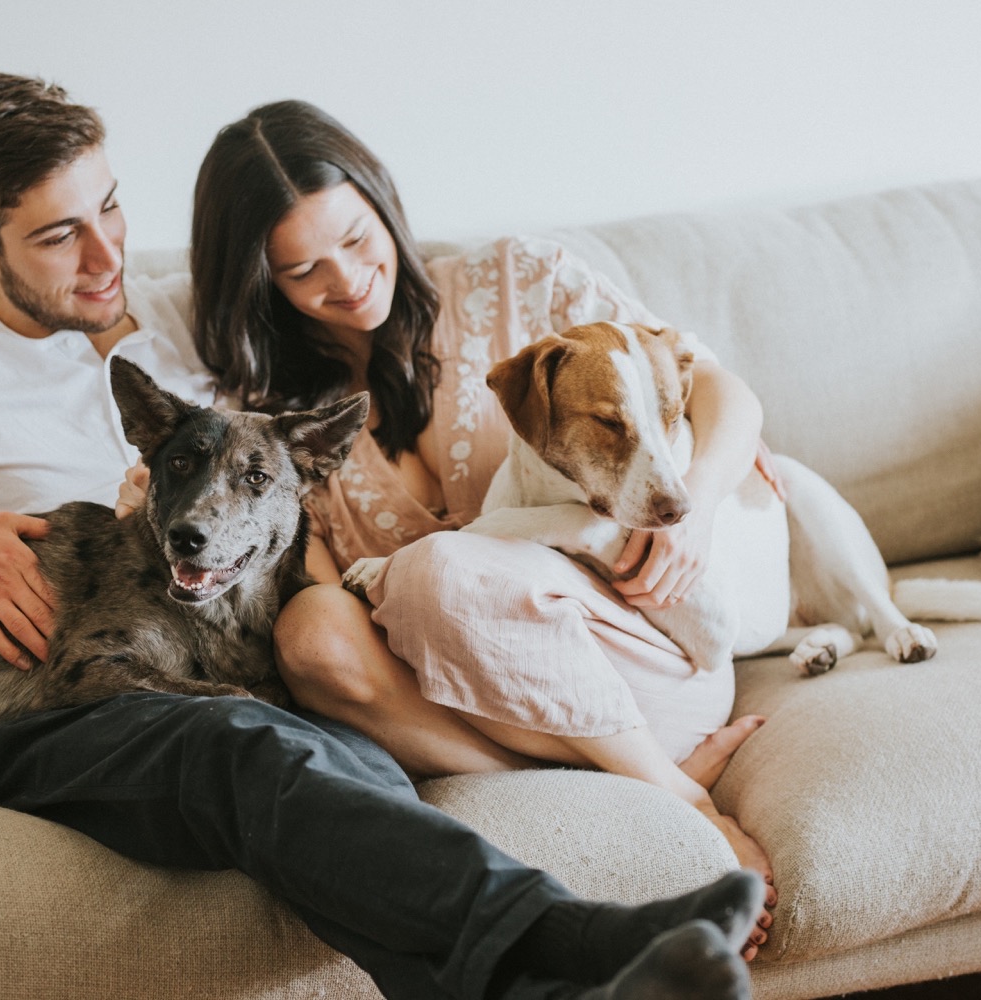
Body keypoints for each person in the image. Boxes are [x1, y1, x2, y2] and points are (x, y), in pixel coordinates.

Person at [0, 70, 764, 999]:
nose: (106, 252)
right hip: (44, 699)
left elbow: (360, 314)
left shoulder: (208, 323)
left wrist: (685, 453)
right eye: (60, 235)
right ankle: (576, 945)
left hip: (219, 655)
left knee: (346, 769)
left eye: (110, 206)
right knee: (245, 740)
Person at [132, 100, 781, 886]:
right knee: (314, 629)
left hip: (638, 647)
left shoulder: (520, 278)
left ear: (381, 201)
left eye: (356, 238)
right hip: (468, 696)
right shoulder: (269, 422)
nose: (346, 279)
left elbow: (717, 388)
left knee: (444, 568)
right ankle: (601, 774)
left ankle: (676, 793)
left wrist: (699, 504)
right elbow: (329, 609)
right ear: (260, 280)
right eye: (302, 270)